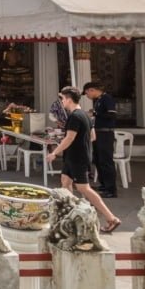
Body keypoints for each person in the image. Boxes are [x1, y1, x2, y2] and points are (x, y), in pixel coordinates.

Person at [46, 86, 121, 233]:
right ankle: (69, 216)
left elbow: (70, 138)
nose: (62, 102)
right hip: (74, 156)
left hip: (77, 157)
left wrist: (54, 152)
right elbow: (92, 136)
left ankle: (111, 218)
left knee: (83, 188)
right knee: (65, 182)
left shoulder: (75, 117)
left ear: (68, 99)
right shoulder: (85, 115)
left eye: (62, 99)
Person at [83, 81, 118, 198]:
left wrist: (95, 114)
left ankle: (111, 189)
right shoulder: (98, 100)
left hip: (106, 133)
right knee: (98, 160)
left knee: (106, 161)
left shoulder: (106, 98)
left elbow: (112, 115)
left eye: (87, 93)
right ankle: (103, 184)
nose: (87, 96)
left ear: (92, 90)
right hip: (98, 133)